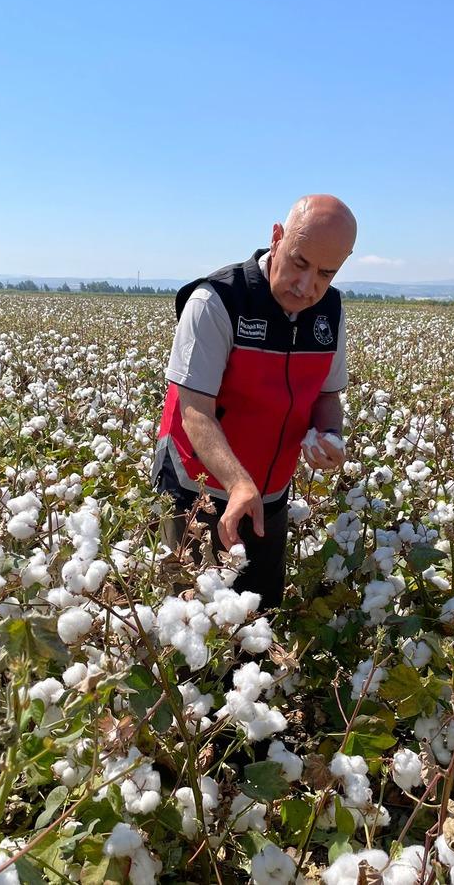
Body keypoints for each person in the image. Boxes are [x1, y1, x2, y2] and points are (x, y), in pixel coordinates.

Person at [153, 194, 357, 608]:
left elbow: (327, 396)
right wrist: (237, 481)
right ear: (277, 237)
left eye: (325, 273)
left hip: (268, 494)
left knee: (260, 616)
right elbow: (195, 410)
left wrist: (330, 433)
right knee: (194, 621)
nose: (307, 286)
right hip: (198, 490)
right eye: (299, 263)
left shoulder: (330, 312)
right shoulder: (217, 302)